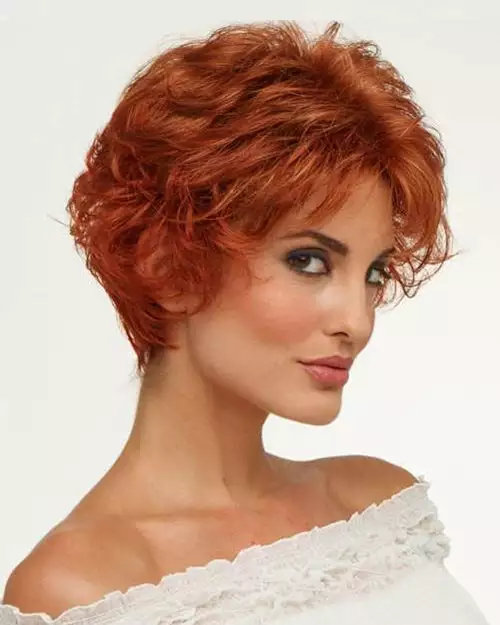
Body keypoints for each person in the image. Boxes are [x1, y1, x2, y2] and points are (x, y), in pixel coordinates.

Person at [0, 20, 489, 625]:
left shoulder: (378, 505)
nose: (357, 321)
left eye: (374, 272)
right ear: (166, 265)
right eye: (308, 261)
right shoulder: (82, 588)